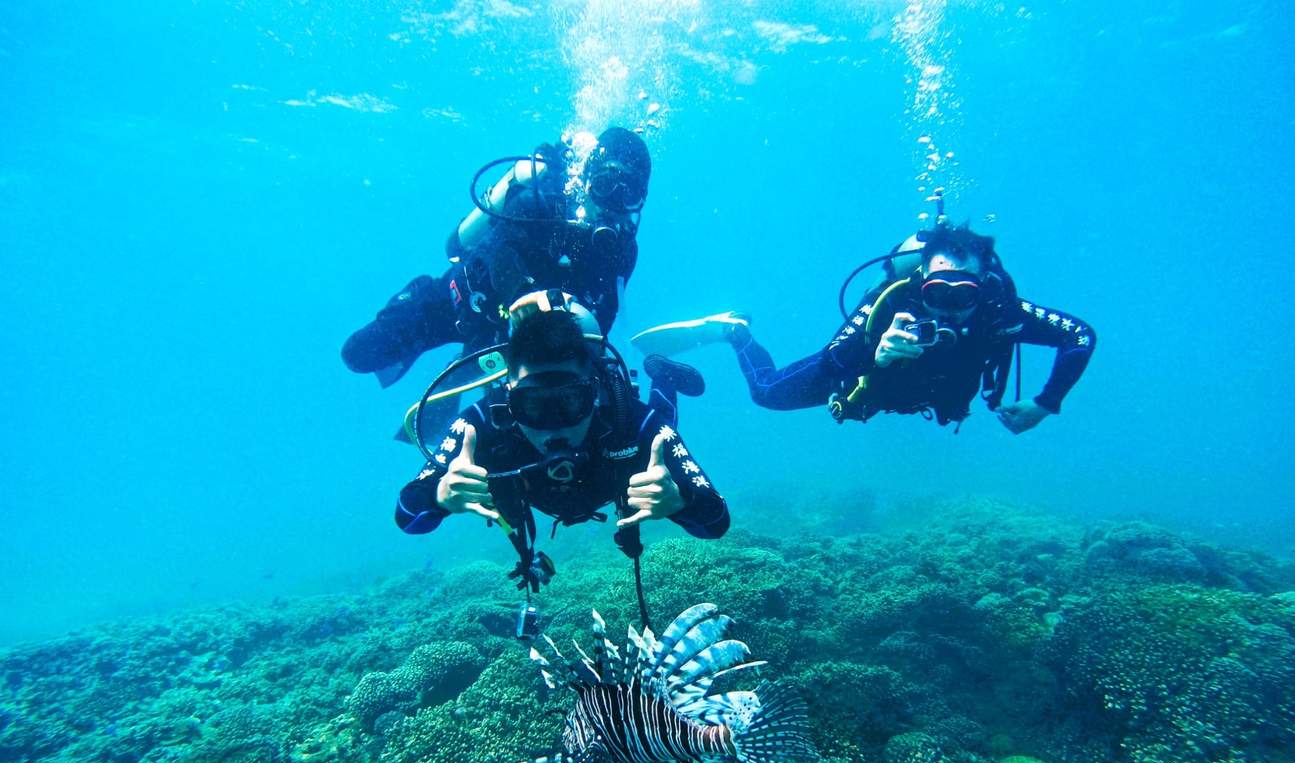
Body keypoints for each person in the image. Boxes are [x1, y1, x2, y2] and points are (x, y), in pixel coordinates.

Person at [631, 221, 1095, 433]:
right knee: (766, 393)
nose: (950, 308)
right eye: (939, 293)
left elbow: (1079, 336)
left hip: (924, 397)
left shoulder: (1000, 311)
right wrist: (878, 350)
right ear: (921, 283)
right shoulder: (894, 301)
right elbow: (834, 359)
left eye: (964, 295)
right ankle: (735, 333)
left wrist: (1045, 403)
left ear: (983, 285)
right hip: (871, 380)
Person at [395, 295, 729, 590]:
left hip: (631, 422)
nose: (554, 428)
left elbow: (717, 522)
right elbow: (407, 515)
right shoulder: (479, 426)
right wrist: (439, 496)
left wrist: (680, 500)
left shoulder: (630, 422)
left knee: (664, 419)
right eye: (533, 405)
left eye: (571, 401)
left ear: (594, 393)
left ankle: (663, 376)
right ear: (508, 394)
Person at [343, 127, 651, 389]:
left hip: (512, 343)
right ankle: (440, 326)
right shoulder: (539, 204)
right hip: (457, 305)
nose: (613, 202)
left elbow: (606, 310)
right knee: (359, 354)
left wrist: (594, 359)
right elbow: (503, 258)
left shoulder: (622, 251)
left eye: (629, 193)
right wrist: (528, 309)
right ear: (588, 176)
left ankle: (467, 364)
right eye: (607, 184)